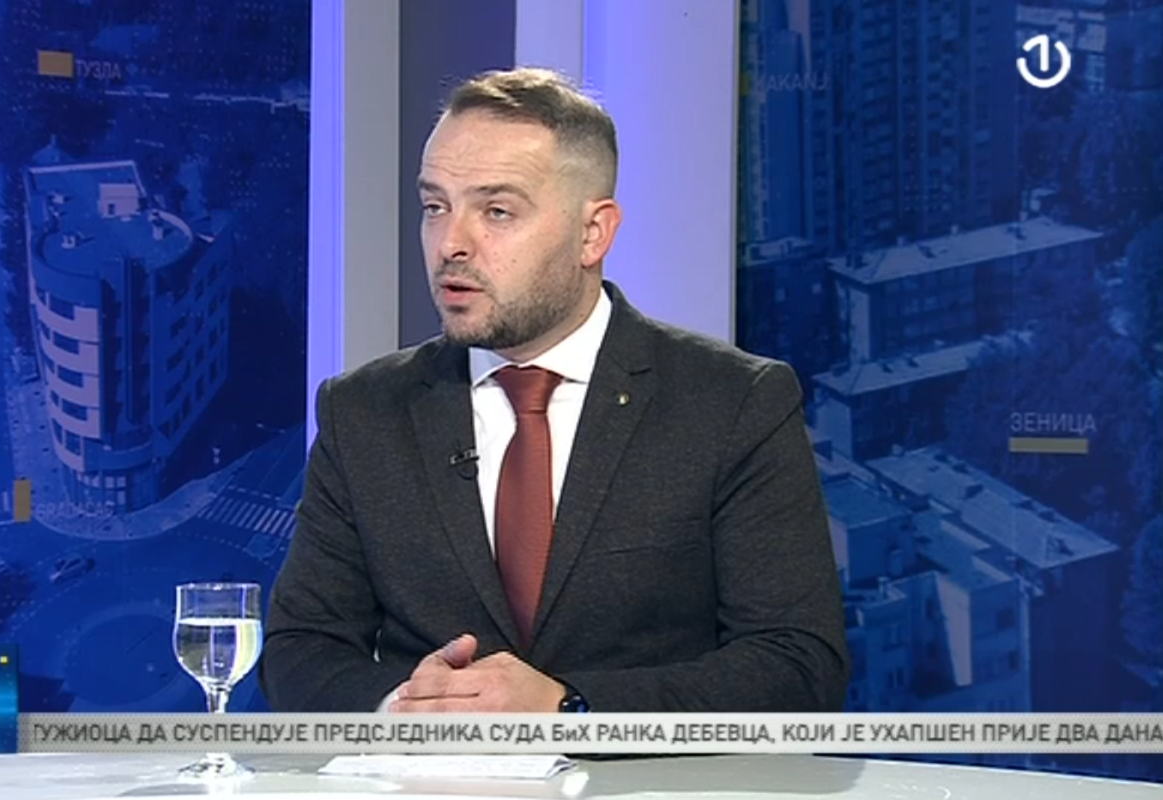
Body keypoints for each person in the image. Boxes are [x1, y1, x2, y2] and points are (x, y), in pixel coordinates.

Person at [259, 68, 849, 714]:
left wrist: (570, 708)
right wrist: (408, 707)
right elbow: (300, 651)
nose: (451, 244)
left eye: (496, 211)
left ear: (592, 234)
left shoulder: (733, 403)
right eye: (435, 207)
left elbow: (797, 664)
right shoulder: (364, 412)